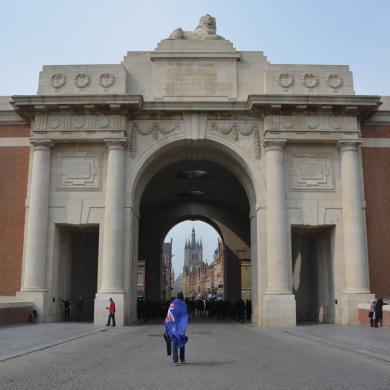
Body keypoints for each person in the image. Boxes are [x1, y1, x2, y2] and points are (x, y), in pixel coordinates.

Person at [164, 292, 188, 366]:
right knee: (182, 340)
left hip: (172, 326)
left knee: (175, 341)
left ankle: (175, 361)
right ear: (182, 297)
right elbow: (185, 315)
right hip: (179, 326)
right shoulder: (183, 304)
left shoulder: (172, 304)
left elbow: (169, 314)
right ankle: (182, 359)